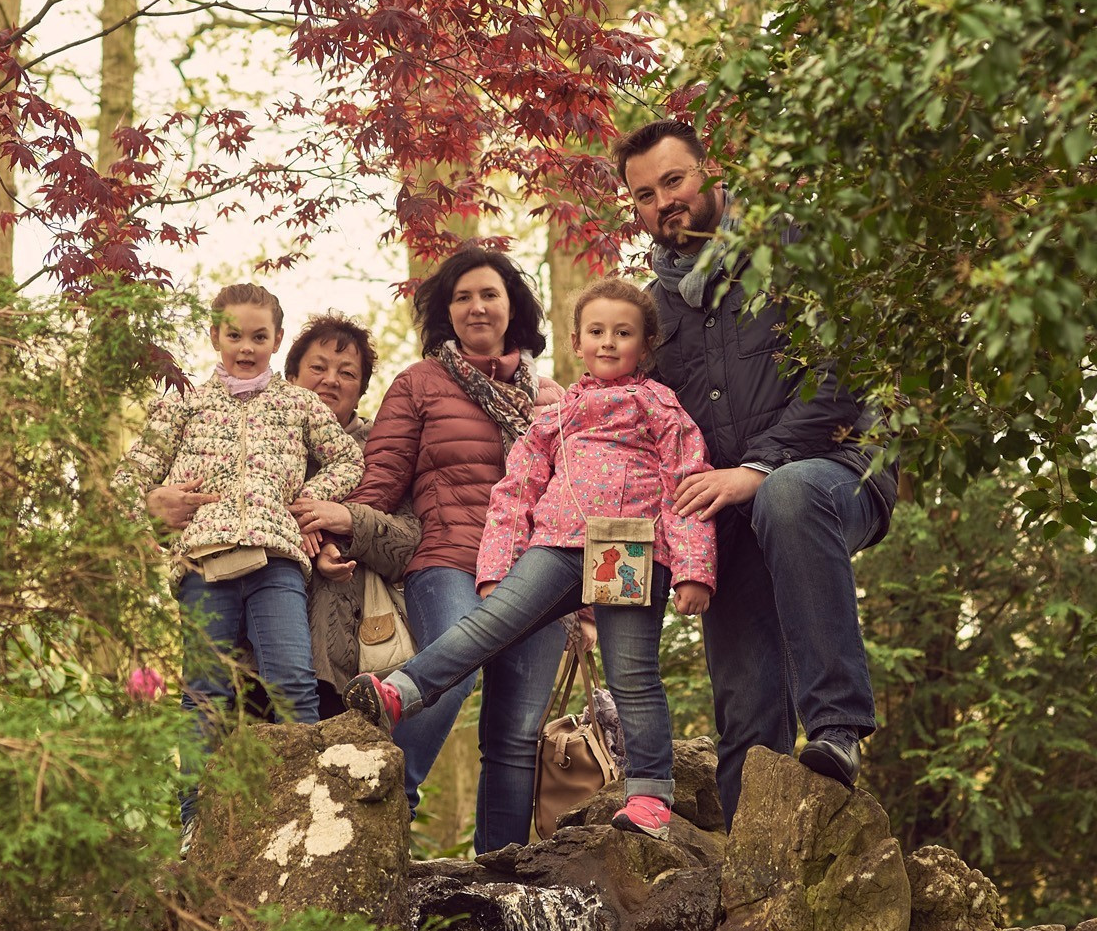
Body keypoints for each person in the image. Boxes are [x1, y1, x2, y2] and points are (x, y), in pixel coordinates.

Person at [346, 278, 717, 838]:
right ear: (577, 340)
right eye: (597, 332)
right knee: (487, 625)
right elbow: (515, 491)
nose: (609, 343)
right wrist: (497, 568)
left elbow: (687, 483)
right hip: (555, 546)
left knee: (633, 673)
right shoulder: (557, 414)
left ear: (646, 345)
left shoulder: (660, 407)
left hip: (628, 545)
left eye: (624, 333)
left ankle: (649, 795)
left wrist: (692, 569)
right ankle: (403, 690)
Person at [615, 118, 898, 824]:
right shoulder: (652, 309)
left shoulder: (793, 248)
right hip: (729, 511)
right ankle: (752, 865)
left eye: (674, 180)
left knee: (790, 493)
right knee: (744, 705)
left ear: (709, 173)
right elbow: (643, 423)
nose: (664, 202)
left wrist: (758, 466)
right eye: (646, 195)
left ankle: (837, 728)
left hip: (831, 469)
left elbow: (842, 378)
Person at [302, 243, 566, 851]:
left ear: (512, 307)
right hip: (450, 560)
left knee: (517, 735)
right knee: (453, 670)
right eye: (463, 296)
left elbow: (572, 497)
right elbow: (383, 478)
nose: (477, 306)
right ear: (447, 312)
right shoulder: (420, 383)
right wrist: (341, 534)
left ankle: (499, 876)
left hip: (543, 573)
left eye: (489, 294)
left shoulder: (552, 399)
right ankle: (386, 800)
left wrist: (581, 606)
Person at [113, 284, 363, 836]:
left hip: (274, 560)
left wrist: (309, 504)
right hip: (204, 563)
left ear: (276, 340)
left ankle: (305, 815)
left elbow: (349, 457)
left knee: (292, 681)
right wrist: (154, 508)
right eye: (234, 335)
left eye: (259, 336)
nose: (245, 347)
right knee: (205, 693)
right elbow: (128, 481)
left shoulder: (297, 403)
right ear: (214, 336)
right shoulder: (184, 402)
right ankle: (193, 827)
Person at [282, 314, 421, 718]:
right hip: (250, 651)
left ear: (359, 390)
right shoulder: (254, 440)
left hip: (345, 653)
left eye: (347, 373)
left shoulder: (383, 450)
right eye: (318, 367)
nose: (331, 380)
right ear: (290, 378)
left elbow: (409, 542)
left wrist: (348, 521)